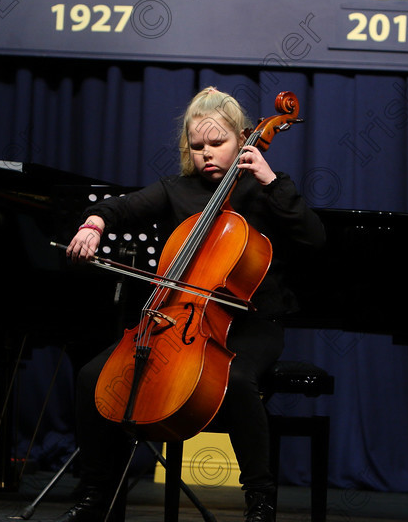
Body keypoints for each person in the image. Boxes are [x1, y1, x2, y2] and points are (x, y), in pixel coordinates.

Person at [59, 87, 326, 522]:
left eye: (217, 144)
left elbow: (315, 238)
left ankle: (260, 501)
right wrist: (95, 222)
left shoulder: (265, 189)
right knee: (93, 376)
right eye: (197, 146)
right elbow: (122, 207)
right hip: (178, 318)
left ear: (242, 139)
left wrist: (271, 180)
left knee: (237, 380)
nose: (206, 155)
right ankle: (96, 493)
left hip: (251, 323)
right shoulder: (176, 190)